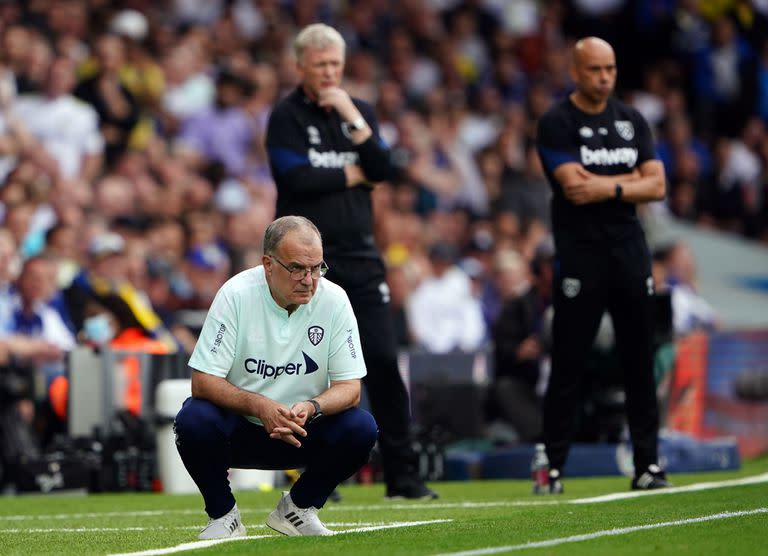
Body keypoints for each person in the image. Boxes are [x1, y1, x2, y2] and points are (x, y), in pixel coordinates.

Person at [265, 23, 437, 499]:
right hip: (303, 262)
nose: (327, 72)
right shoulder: (286, 116)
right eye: (319, 64)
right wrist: (352, 171)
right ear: (300, 65)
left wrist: (347, 111)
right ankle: (309, 467)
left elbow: (383, 169)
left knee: (382, 360)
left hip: (361, 256)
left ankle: (403, 475)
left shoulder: (356, 111)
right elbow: (294, 177)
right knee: (298, 366)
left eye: (334, 65)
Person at [173, 216, 378, 539]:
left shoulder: (335, 300)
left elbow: (350, 388)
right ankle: (223, 515)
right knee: (193, 419)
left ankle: (298, 508)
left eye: (316, 268)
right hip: (240, 430)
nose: (309, 279)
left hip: (301, 428)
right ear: (268, 264)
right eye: (297, 268)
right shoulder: (236, 294)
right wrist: (260, 407)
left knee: (362, 427)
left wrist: (311, 407)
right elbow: (202, 381)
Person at [535, 37, 670, 492]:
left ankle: (648, 465)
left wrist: (609, 187)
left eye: (610, 68)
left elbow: (658, 185)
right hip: (580, 255)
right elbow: (575, 187)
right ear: (575, 71)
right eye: (595, 69)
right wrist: (630, 180)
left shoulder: (632, 120)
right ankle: (552, 467)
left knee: (639, 362)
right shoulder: (556, 123)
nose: (604, 77)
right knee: (569, 362)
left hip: (630, 252)